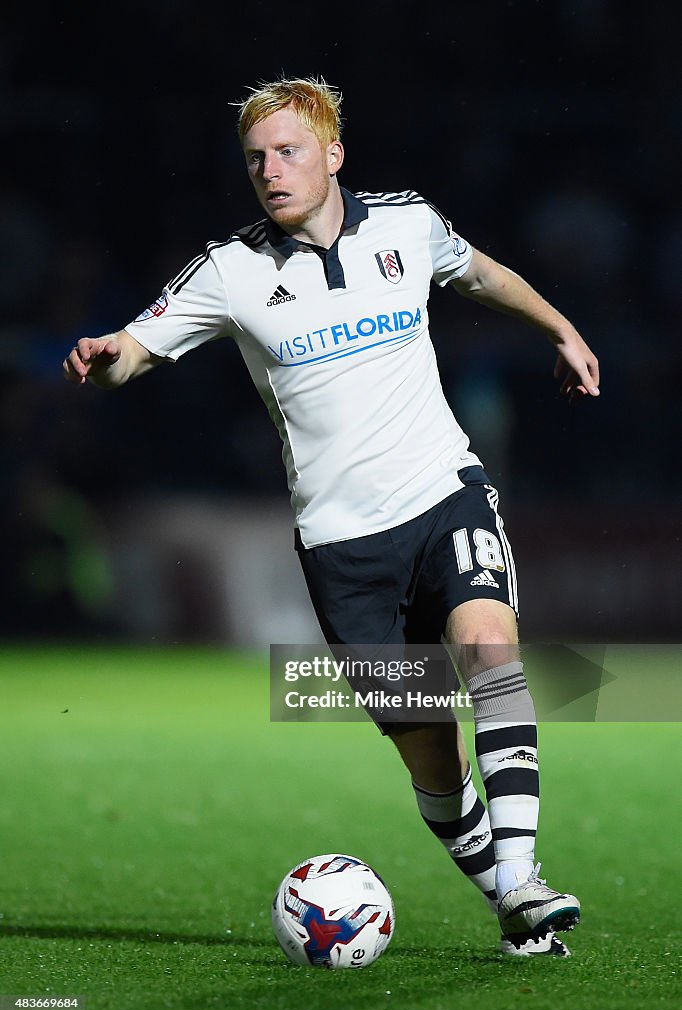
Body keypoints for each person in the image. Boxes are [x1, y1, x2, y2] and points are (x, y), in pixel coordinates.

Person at [63, 77, 599, 958]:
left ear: (333, 154)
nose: (270, 172)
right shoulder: (231, 269)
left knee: (491, 655)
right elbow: (136, 349)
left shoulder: (405, 223)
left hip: (443, 494)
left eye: (288, 151)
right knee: (430, 754)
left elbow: (481, 273)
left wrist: (560, 329)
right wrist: (106, 355)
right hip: (345, 551)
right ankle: (509, 898)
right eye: (256, 159)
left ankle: (527, 878)